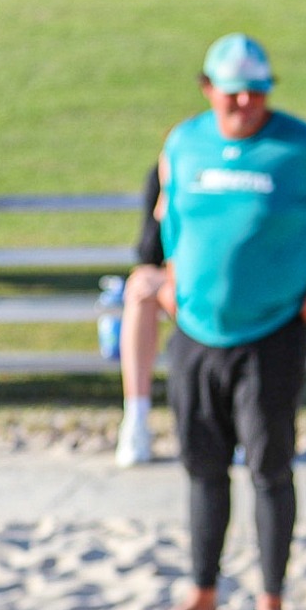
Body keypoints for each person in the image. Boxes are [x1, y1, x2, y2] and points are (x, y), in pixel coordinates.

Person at [158, 33, 306, 610]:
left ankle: (271, 595)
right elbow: (172, 214)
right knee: (203, 466)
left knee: (268, 465)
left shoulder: (302, 147)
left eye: (256, 93)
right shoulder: (184, 141)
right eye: (232, 94)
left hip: (274, 330)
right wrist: (169, 274)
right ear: (208, 90)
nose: (244, 105)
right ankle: (203, 587)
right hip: (196, 331)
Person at [115, 165, 171, 467]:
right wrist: (167, 195)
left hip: (223, 283)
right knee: (140, 290)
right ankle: (136, 417)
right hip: (180, 284)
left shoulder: (219, 179)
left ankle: (237, 425)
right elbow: (149, 253)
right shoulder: (163, 175)